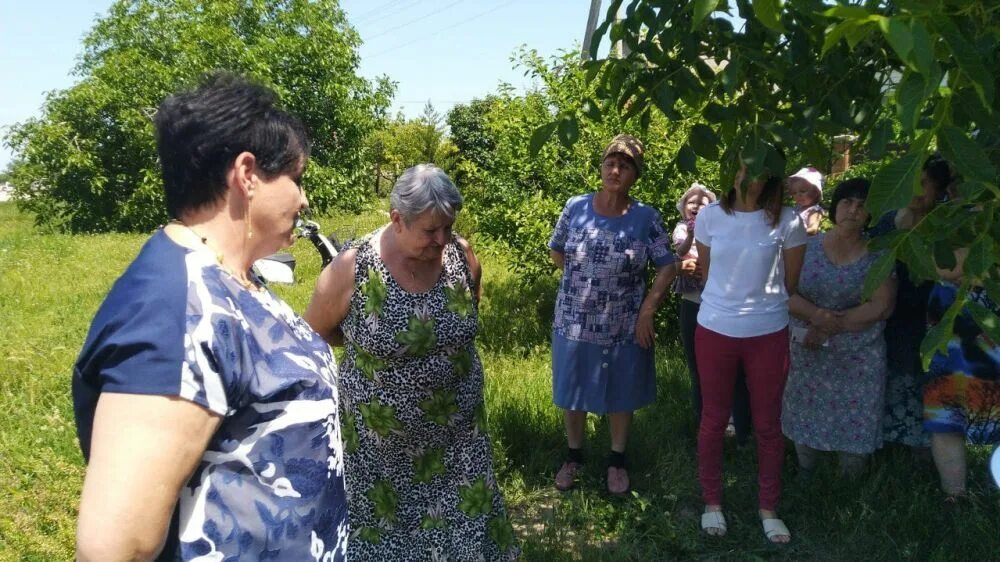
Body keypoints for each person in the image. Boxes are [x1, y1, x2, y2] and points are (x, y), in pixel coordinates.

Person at [72, 74, 348, 561]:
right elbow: (114, 547)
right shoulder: (172, 308)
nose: (303, 199)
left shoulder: (232, 278)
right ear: (247, 175)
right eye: (296, 179)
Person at [304, 164, 518, 561]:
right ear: (397, 220)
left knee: (465, 535)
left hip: (459, 440)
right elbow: (316, 332)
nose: (441, 240)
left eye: (447, 228)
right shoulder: (354, 268)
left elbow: (466, 317)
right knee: (388, 542)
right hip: (380, 452)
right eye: (430, 231)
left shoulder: (461, 254)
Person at [548, 134, 677, 495]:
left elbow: (668, 265)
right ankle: (573, 456)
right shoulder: (575, 207)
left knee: (622, 391)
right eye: (610, 163)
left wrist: (646, 311)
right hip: (574, 320)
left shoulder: (645, 218)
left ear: (636, 174)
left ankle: (617, 461)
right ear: (601, 167)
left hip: (624, 323)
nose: (615, 170)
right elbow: (557, 251)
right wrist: (584, 281)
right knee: (572, 391)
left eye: (624, 165)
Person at [694, 160, 806, 544]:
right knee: (712, 419)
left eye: (756, 168)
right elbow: (707, 275)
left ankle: (768, 508)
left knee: (768, 426)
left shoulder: (788, 221)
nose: (747, 175)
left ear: (770, 176)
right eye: (741, 167)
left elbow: (790, 283)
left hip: (768, 332)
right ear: (732, 173)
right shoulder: (709, 217)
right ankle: (712, 502)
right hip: (715, 329)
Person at [782, 178, 897, 479]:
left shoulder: (880, 253)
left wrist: (831, 325)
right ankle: (806, 470)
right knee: (804, 408)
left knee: (856, 418)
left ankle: (849, 482)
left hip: (859, 353)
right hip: (808, 347)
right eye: (847, 202)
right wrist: (816, 316)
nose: (854, 210)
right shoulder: (805, 246)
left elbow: (882, 305)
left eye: (862, 205)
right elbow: (784, 291)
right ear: (834, 207)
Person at [879, 156, 951, 454]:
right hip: (893, 311)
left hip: (933, 313)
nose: (917, 191)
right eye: (912, 183)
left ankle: (927, 444)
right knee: (895, 370)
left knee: (926, 374)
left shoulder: (947, 224)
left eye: (924, 184)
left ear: (939, 189)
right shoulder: (887, 221)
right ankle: (891, 440)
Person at [672, 183, 752, 441]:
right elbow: (678, 256)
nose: (695, 205)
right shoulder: (682, 229)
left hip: (724, 306)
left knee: (735, 369)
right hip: (693, 304)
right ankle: (706, 428)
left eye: (702, 201)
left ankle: (740, 430)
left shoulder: (723, 229)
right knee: (698, 369)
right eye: (690, 201)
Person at [924, 251, 1000, 499]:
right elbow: (938, 265)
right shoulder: (947, 212)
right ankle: (954, 497)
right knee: (947, 414)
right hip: (952, 325)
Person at [787, 166, 825, 235]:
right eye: (794, 193)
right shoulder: (796, 209)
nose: (798, 195)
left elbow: (813, 229)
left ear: (815, 192)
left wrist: (794, 234)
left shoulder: (813, 211)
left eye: (802, 191)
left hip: (808, 243)